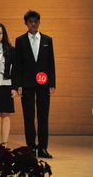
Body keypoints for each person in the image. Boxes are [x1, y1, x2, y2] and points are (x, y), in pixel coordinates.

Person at [13, 10, 56, 158]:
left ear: (39, 22)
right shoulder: (20, 40)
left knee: (43, 116)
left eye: (35, 21)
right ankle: (31, 148)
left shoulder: (47, 40)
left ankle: (43, 148)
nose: (33, 24)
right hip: (26, 84)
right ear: (26, 23)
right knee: (29, 116)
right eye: (30, 22)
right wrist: (17, 85)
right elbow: (17, 64)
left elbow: (51, 63)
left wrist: (52, 83)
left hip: (44, 83)